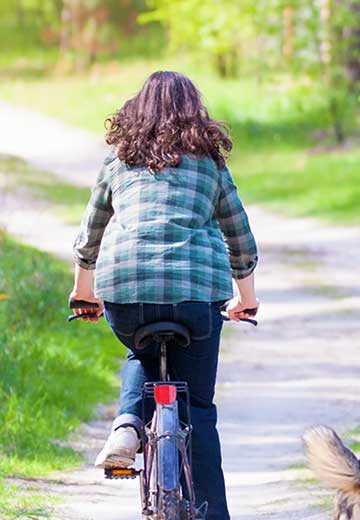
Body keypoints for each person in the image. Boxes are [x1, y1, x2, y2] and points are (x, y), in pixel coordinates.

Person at [69, 70, 259, 520]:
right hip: (197, 296)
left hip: (125, 291)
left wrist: (83, 291)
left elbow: (91, 229)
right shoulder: (209, 163)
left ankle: (127, 425)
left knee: (141, 354)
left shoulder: (118, 159)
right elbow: (239, 234)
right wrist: (245, 297)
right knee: (198, 407)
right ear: (196, 112)